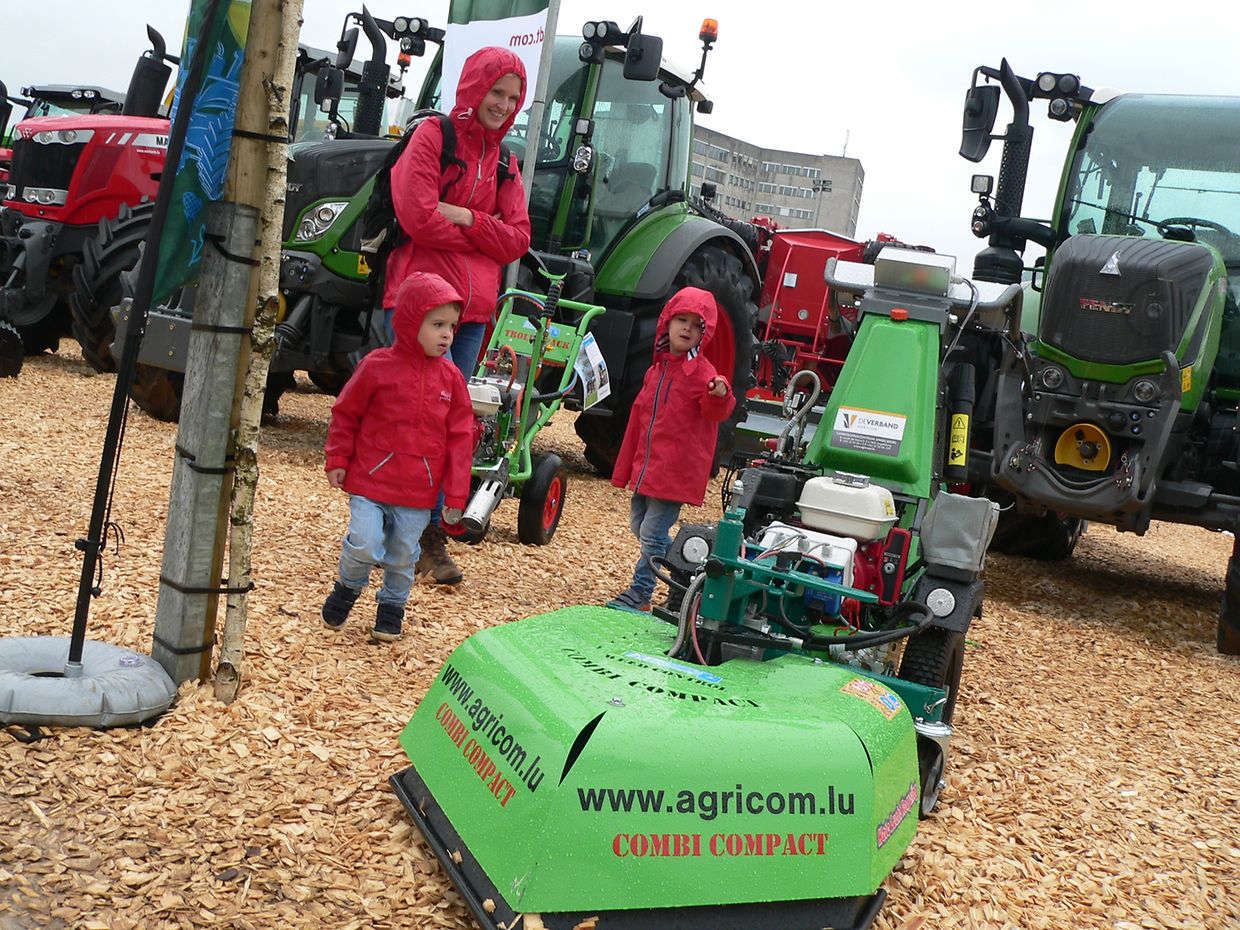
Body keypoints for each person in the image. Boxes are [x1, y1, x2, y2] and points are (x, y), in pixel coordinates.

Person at [385, 46, 532, 586]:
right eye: (497, 92)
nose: (503, 104)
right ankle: (384, 528)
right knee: (402, 417)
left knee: (446, 422)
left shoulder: (507, 162)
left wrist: (467, 216)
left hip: (469, 315)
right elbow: (418, 216)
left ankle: (423, 539)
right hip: (420, 304)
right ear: (474, 87)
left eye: (513, 98)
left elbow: (518, 239)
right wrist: (482, 236)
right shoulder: (432, 138)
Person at [321, 272, 474, 642]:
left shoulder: (451, 379)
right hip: (370, 482)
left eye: (452, 326)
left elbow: (460, 439)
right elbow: (346, 412)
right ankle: (348, 587)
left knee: (404, 554)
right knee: (363, 541)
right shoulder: (377, 366)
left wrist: (455, 496)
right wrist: (338, 458)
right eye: (437, 324)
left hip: (417, 492)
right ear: (409, 320)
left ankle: (391, 606)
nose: (447, 335)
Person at [608, 287, 736, 612]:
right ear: (666, 321)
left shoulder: (703, 374)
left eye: (696, 324)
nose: (687, 328)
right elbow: (641, 420)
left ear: (704, 334)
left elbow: (714, 410)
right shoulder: (658, 369)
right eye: (681, 319)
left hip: (674, 471)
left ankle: (640, 593)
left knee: (651, 531)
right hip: (649, 466)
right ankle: (689, 565)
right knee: (640, 527)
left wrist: (719, 392)